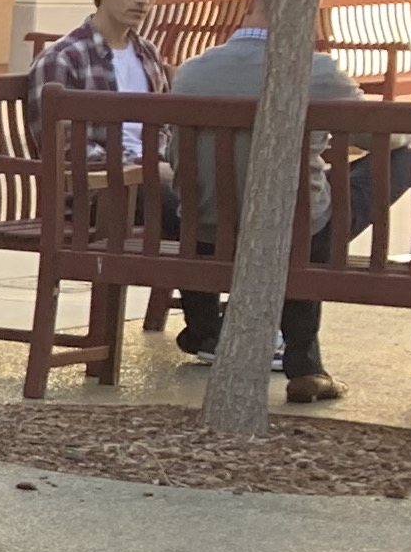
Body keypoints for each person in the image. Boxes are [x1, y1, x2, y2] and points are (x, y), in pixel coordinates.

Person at [168, 22, 394, 403]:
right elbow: (384, 138)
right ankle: (305, 365)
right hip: (296, 232)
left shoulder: (191, 70)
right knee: (308, 216)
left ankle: (207, 330)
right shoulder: (317, 70)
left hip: (206, 232)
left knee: (298, 209)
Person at [30, 0, 173, 169]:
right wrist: (136, 168)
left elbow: (165, 125)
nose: (143, 0)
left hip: (154, 173)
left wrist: (165, 162)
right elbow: (63, 144)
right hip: (101, 185)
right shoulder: (63, 58)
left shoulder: (148, 53)